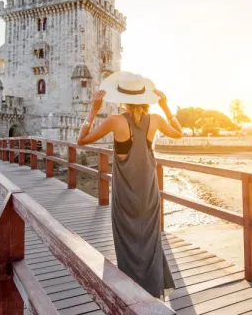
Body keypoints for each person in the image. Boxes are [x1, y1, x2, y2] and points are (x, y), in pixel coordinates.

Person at [76, 71, 183, 298]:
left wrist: (92, 111)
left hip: (125, 192)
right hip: (149, 190)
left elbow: (81, 141)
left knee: (126, 238)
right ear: (144, 98)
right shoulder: (155, 120)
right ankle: (153, 288)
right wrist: (165, 106)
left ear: (123, 98)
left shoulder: (115, 121)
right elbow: (178, 133)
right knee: (150, 238)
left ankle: (131, 290)